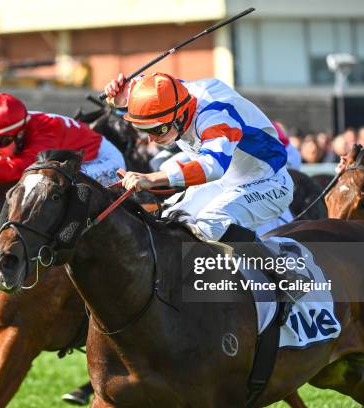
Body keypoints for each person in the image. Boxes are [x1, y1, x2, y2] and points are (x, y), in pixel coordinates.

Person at [104, 72, 301, 312]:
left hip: (268, 183)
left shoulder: (215, 115)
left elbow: (213, 167)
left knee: (211, 223)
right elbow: (154, 86)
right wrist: (124, 95)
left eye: (156, 130)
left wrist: (151, 179)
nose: (150, 139)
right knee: (166, 219)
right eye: (144, 130)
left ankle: (284, 273)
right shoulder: (176, 97)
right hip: (230, 179)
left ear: (178, 117)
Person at [0, 93, 124, 185]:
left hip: (101, 160)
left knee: (50, 182)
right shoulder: (4, 126)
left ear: (20, 134)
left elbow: (15, 170)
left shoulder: (44, 134)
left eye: (1, 143)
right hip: (72, 153)